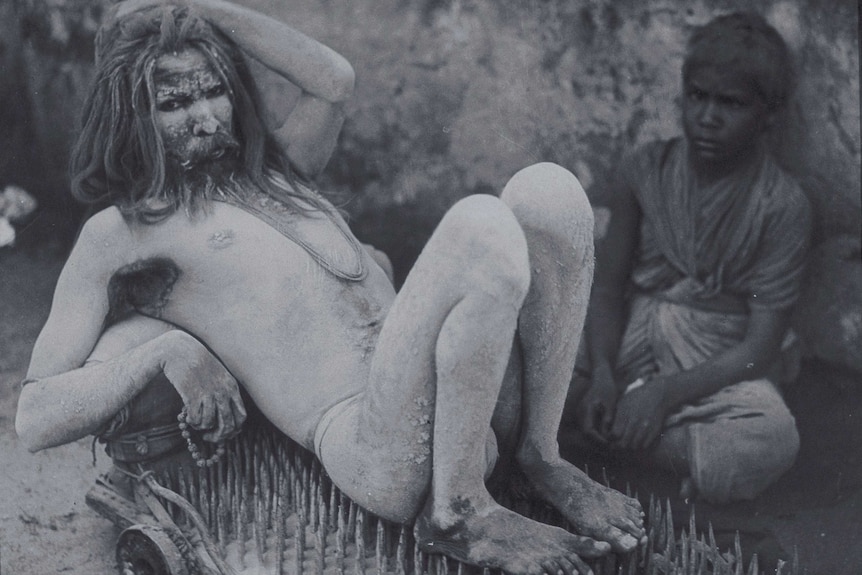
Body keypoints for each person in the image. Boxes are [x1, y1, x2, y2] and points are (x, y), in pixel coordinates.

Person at [14, 1, 646, 573]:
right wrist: (167, 351)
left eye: (213, 92)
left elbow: (334, 78)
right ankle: (457, 513)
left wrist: (191, 10)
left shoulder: (282, 172)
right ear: (132, 117)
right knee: (480, 226)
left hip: (465, 410)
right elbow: (35, 415)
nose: (205, 117)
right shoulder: (127, 231)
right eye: (174, 103)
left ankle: (540, 455)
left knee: (549, 192)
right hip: (380, 446)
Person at [564, 12, 812, 505]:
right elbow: (609, 287)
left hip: (712, 362)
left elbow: (759, 348)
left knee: (771, 438)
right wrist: (607, 377)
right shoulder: (646, 169)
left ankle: (591, 448)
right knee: (522, 364)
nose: (708, 117)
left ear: (769, 115)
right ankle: (619, 436)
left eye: (731, 103)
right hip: (624, 339)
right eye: (698, 96)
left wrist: (662, 394)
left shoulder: (781, 205)